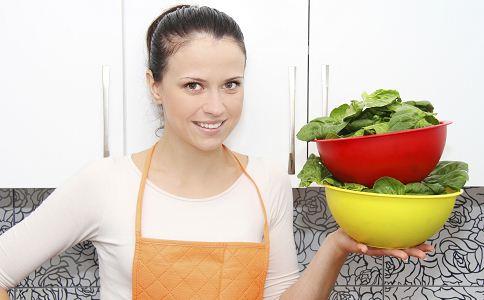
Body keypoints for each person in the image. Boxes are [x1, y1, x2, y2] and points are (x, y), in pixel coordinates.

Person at [0, 4, 433, 299]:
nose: (216, 107)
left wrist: (338, 245)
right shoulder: (104, 184)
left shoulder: (267, 183)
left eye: (231, 84)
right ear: (155, 86)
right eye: (193, 85)